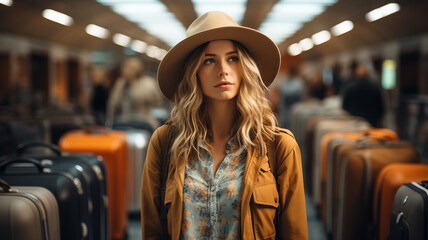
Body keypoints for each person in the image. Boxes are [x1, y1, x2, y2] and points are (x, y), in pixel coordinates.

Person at [140, 11, 308, 240]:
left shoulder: (278, 146)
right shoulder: (165, 143)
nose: (223, 69)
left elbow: (295, 233)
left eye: (233, 58)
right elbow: (152, 231)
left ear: (244, 67)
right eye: (209, 60)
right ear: (194, 72)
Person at [106, 56, 164, 129]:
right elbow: (113, 102)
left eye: (131, 68)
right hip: (124, 120)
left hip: (144, 119)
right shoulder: (121, 84)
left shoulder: (148, 83)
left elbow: (157, 102)